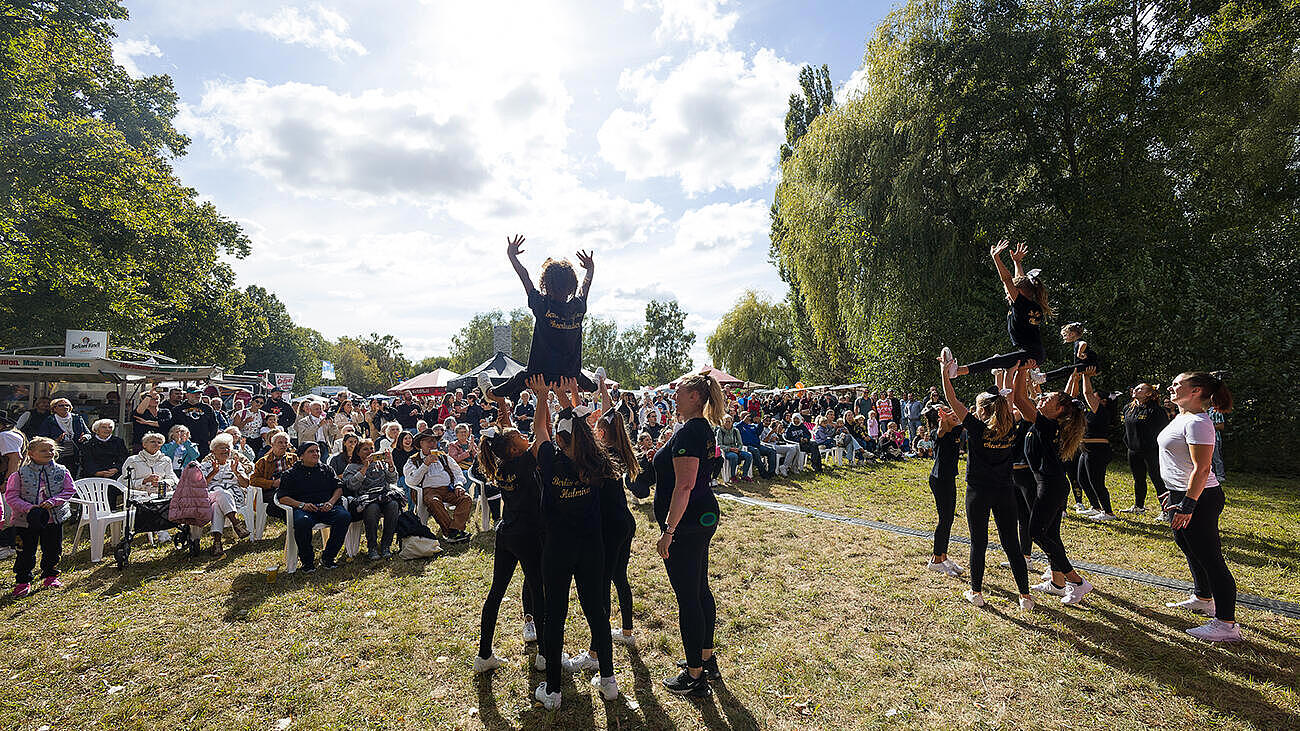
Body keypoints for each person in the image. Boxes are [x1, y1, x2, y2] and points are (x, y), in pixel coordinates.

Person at [529, 377, 618, 709]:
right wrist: (566, 397)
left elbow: (540, 432)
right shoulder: (597, 460)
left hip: (557, 547)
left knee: (554, 615)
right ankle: (608, 681)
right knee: (597, 610)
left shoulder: (551, 458)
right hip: (591, 546)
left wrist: (542, 397)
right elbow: (580, 427)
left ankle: (553, 690)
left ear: (561, 438)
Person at [654, 373, 725, 697]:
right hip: (703, 517)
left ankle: (695, 676)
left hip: (688, 523)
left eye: (680, 391)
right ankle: (705, 658)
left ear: (696, 397)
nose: (675, 395)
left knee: (689, 598)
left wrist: (669, 531)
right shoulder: (701, 429)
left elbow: (684, 486)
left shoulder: (690, 431)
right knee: (699, 589)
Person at [939, 363, 1032, 609]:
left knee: (978, 543)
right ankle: (1025, 596)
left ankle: (976, 592)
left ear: (981, 410)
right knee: (1011, 543)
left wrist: (944, 371)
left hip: (979, 491)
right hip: (1005, 490)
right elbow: (1008, 398)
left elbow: (951, 397)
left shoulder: (977, 428)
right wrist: (1008, 374)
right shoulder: (1011, 424)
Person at [1159, 372, 1240, 642]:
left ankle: (1226, 624)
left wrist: (1188, 504)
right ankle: (1203, 597)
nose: (1171, 386)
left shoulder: (1198, 422)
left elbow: (1203, 468)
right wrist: (1173, 493)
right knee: (1189, 546)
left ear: (1196, 391)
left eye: (1177, 384)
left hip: (1201, 498)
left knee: (1211, 558)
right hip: (1182, 493)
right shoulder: (1182, 417)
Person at [473, 392, 548, 676]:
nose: (520, 432)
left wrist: (502, 403)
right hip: (528, 534)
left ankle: (484, 655)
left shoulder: (504, 462)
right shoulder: (523, 462)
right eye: (518, 435)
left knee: (496, 592)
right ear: (516, 450)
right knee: (538, 591)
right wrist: (542, 396)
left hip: (506, 532)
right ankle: (543, 654)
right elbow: (540, 429)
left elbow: (505, 434)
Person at [1010, 362, 1093, 605]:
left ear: (1059, 410)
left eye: (1050, 399)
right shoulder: (1043, 422)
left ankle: (1076, 581)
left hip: (1050, 484)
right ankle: (1058, 583)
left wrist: (1021, 370)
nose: (1043, 398)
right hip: (1049, 483)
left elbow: (1018, 398)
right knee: (1052, 534)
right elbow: (1025, 398)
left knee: (1036, 532)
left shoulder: (1048, 424)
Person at [485, 235, 598, 402]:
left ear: (545, 283)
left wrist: (512, 256)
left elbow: (525, 277)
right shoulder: (578, 306)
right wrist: (590, 268)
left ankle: (491, 393)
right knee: (589, 384)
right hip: (569, 374)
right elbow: (585, 286)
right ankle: (595, 387)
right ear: (571, 285)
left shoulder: (542, 304)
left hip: (539, 374)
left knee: (518, 379)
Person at [941, 241, 1050, 380]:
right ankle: (957, 370)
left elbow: (1007, 280)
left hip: (1031, 353)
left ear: (1019, 292)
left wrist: (996, 258)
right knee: (999, 362)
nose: (1007, 294)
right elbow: (1019, 281)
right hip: (1033, 352)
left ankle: (957, 371)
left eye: (1009, 292)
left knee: (996, 362)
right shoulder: (1027, 303)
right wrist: (1017, 262)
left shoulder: (1022, 304)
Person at [591, 377, 641, 651]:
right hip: (625, 521)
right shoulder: (621, 448)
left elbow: (597, 426)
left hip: (610, 525)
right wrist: (602, 391)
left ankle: (598, 646)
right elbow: (610, 418)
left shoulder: (603, 454)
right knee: (620, 577)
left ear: (602, 432)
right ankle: (627, 631)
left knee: (602, 583)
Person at [5, 437, 75, 597]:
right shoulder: (20, 474)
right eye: (43, 450)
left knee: (52, 548)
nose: (49, 453)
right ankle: (23, 580)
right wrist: (29, 508)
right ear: (31, 453)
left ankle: (50, 575)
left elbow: (69, 490)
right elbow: (11, 496)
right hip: (25, 521)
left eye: (51, 450)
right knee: (25, 551)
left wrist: (54, 501)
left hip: (53, 518)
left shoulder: (62, 471)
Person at [274, 442, 350, 572]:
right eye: (311, 451)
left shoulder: (326, 469)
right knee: (302, 522)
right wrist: (302, 505)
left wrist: (331, 502)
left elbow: (339, 488)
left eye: (317, 451)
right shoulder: (290, 474)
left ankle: (328, 557)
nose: (316, 454)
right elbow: (282, 497)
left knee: (344, 517)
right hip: (304, 509)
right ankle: (307, 562)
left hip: (327, 507)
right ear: (301, 456)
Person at [403, 429, 472, 543]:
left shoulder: (443, 456)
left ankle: (454, 530)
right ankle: (452, 533)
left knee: (466, 498)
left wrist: (458, 485)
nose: (433, 444)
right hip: (428, 491)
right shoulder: (413, 460)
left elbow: (457, 472)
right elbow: (412, 481)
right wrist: (425, 464)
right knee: (434, 501)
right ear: (421, 443)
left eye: (434, 441)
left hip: (448, 489)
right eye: (429, 441)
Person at [341, 438, 403, 559]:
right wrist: (364, 468)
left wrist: (390, 464)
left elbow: (392, 480)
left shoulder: (379, 463)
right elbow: (351, 485)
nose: (369, 452)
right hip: (363, 498)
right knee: (372, 508)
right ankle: (372, 546)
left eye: (371, 449)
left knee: (393, 505)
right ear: (358, 452)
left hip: (383, 495)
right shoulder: (352, 467)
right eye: (365, 449)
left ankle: (386, 545)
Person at [925, 405, 964, 577]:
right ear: (940, 419)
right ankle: (935, 560)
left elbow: (966, 418)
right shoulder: (936, 432)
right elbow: (941, 431)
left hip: (948, 479)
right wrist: (944, 419)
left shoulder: (956, 430)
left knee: (949, 520)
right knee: (944, 519)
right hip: (939, 480)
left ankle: (943, 557)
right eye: (948, 412)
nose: (953, 413)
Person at [1075, 371, 1118, 522]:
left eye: (1095, 397)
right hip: (1086, 450)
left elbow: (1086, 392)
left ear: (1103, 401)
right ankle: (1096, 507)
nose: (1091, 399)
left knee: (1097, 482)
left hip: (1097, 451)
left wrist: (1086, 375)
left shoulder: (1101, 411)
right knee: (1082, 479)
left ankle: (1109, 512)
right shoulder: (1091, 413)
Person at [199, 434, 252, 556]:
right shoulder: (205, 466)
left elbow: (245, 484)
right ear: (213, 451)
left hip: (234, 498)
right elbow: (201, 486)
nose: (225, 450)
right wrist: (213, 472)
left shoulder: (235, 464)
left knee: (217, 506)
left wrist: (236, 472)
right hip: (210, 497)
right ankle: (237, 524)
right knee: (220, 493)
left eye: (228, 448)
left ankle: (217, 543)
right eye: (221, 448)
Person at [1122, 382, 1170, 515]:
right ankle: (1139, 506)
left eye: (1139, 389)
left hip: (1152, 451)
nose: (1135, 390)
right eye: (1135, 387)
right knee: (1138, 478)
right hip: (1133, 450)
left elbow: (1164, 432)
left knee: (1157, 478)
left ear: (1148, 394)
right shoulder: (1128, 408)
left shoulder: (1156, 411)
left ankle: (1166, 511)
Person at [251, 432, 296, 525]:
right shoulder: (263, 461)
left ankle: (295, 522)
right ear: (272, 445)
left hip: (291, 488)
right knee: (281, 499)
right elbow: (253, 480)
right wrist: (272, 483)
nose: (283, 445)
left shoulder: (293, 458)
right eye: (280, 442)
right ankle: (292, 523)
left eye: (286, 443)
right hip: (271, 491)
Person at [38, 398, 89, 476]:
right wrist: (55, 440)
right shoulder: (50, 420)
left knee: (72, 474)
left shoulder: (77, 418)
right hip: (57, 451)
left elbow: (88, 434)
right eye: (61, 405)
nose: (64, 407)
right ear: (54, 408)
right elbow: (42, 437)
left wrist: (85, 437)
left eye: (67, 405)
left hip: (75, 451)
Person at [121, 432, 179, 496]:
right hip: (139, 496)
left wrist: (163, 482)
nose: (156, 444)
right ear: (144, 445)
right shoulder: (133, 460)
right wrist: (145, 480)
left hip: (162, 494)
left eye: (159, 442)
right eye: (153, 442)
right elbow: (125, 482)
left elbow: (172, 479)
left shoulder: (166, 460)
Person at [171, 389, 219, 457]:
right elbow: (172, 426)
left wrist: (211, 438)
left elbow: (214, 425)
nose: (198, 396)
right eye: (195, 394)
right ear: (187, 395)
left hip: (203, 443)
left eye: (199, 394)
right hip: (184, 443)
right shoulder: (177, 409)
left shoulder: (207, 408)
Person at [736, 411, 775, 478]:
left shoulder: (753, 426)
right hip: (746, 446)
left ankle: (771, 473)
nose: (748, 417)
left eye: (748, 416)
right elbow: (735, 429)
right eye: (745, 416)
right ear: (741, 417)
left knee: (772, 451)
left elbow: (758, 432)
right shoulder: (738, 425)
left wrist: (760, 423)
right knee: (755, 451)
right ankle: (763, 473)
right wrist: (743, 421)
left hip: (757, 445)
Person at [715, 414, 754, 482]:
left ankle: (744, 475)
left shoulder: (736, 430)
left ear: (732, 422)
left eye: (729, 421)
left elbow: (740, 443)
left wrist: (738, 449)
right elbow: (719, 445)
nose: (727, 423)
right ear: (723, 422)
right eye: (726, 421)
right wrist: (730, 449)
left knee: (749, 455)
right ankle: (733, 476)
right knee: (734, 456)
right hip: (726, 451)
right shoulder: (720, 431)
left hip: (736, 450)